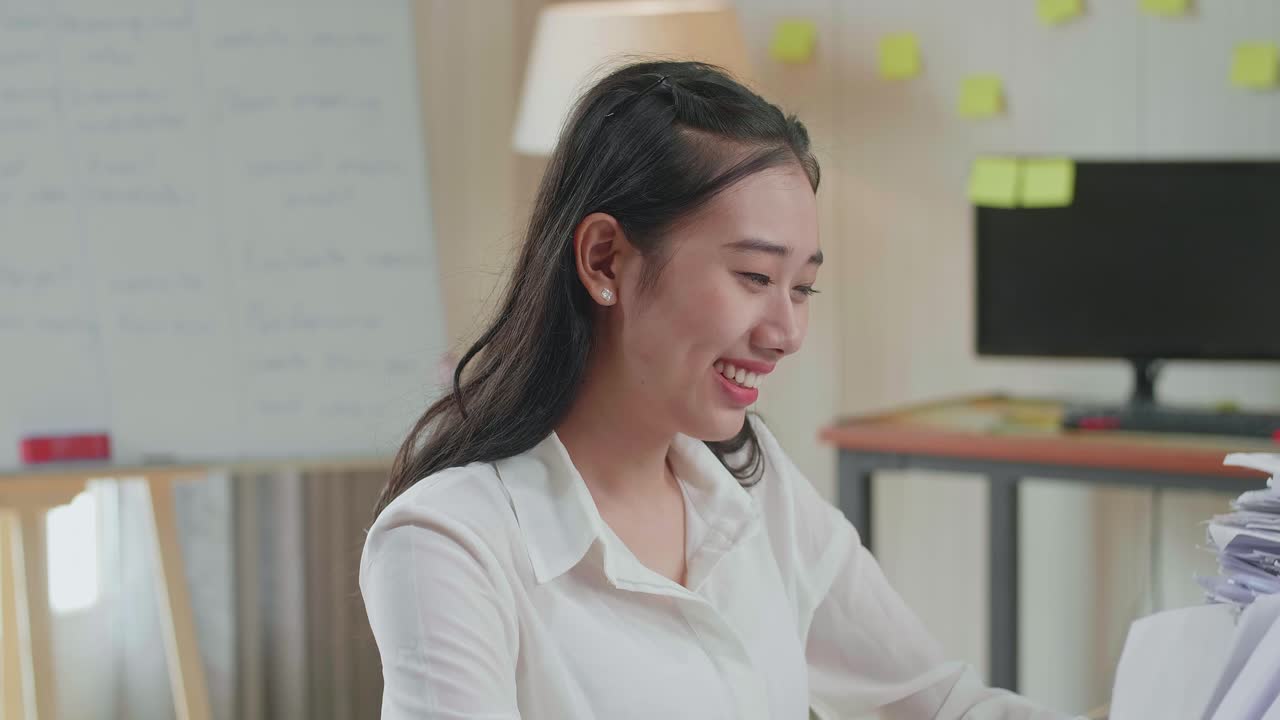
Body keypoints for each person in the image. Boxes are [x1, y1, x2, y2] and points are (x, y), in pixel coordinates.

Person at [360, 60, 1078, 719]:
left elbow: (936, 705)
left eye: (803, 287)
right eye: (756, 278)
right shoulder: (450, 543)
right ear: (605, 258)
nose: (787, 331)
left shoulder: (752, 480)